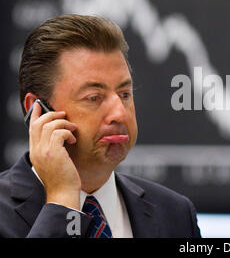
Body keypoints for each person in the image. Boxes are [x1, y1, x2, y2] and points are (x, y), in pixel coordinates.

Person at [0, 14, 201, 238]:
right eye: (94, 97)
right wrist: (64, 201)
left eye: (125, 94)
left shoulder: (175, 214)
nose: (120, 113)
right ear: (36, 110)